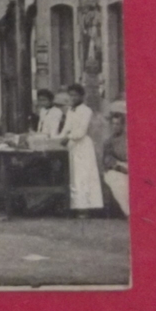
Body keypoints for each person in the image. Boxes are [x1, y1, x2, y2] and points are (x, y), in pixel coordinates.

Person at [54, 83, 104, 216]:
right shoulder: (70, 110)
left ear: (82, 96)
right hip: (72, 146)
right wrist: (57, 138)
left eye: (75, 95)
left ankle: (85, 209)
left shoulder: (86, 111)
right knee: (74, 176)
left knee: (83, 177)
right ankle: (75, 207)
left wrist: (68, 137)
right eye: (70, 95)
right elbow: (66, 128)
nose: (73, 98)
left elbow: (81, 132)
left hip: (83, 146)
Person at [102, 100, 129, 218]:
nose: (115, 127)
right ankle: (129, 213)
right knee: (118, 182)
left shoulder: (130, 138)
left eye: (118, 124)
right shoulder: (109, 141)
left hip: (131, 166)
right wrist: (118, 167)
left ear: (123, 125)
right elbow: (107, 159)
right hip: (117, 169)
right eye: (113, 124)